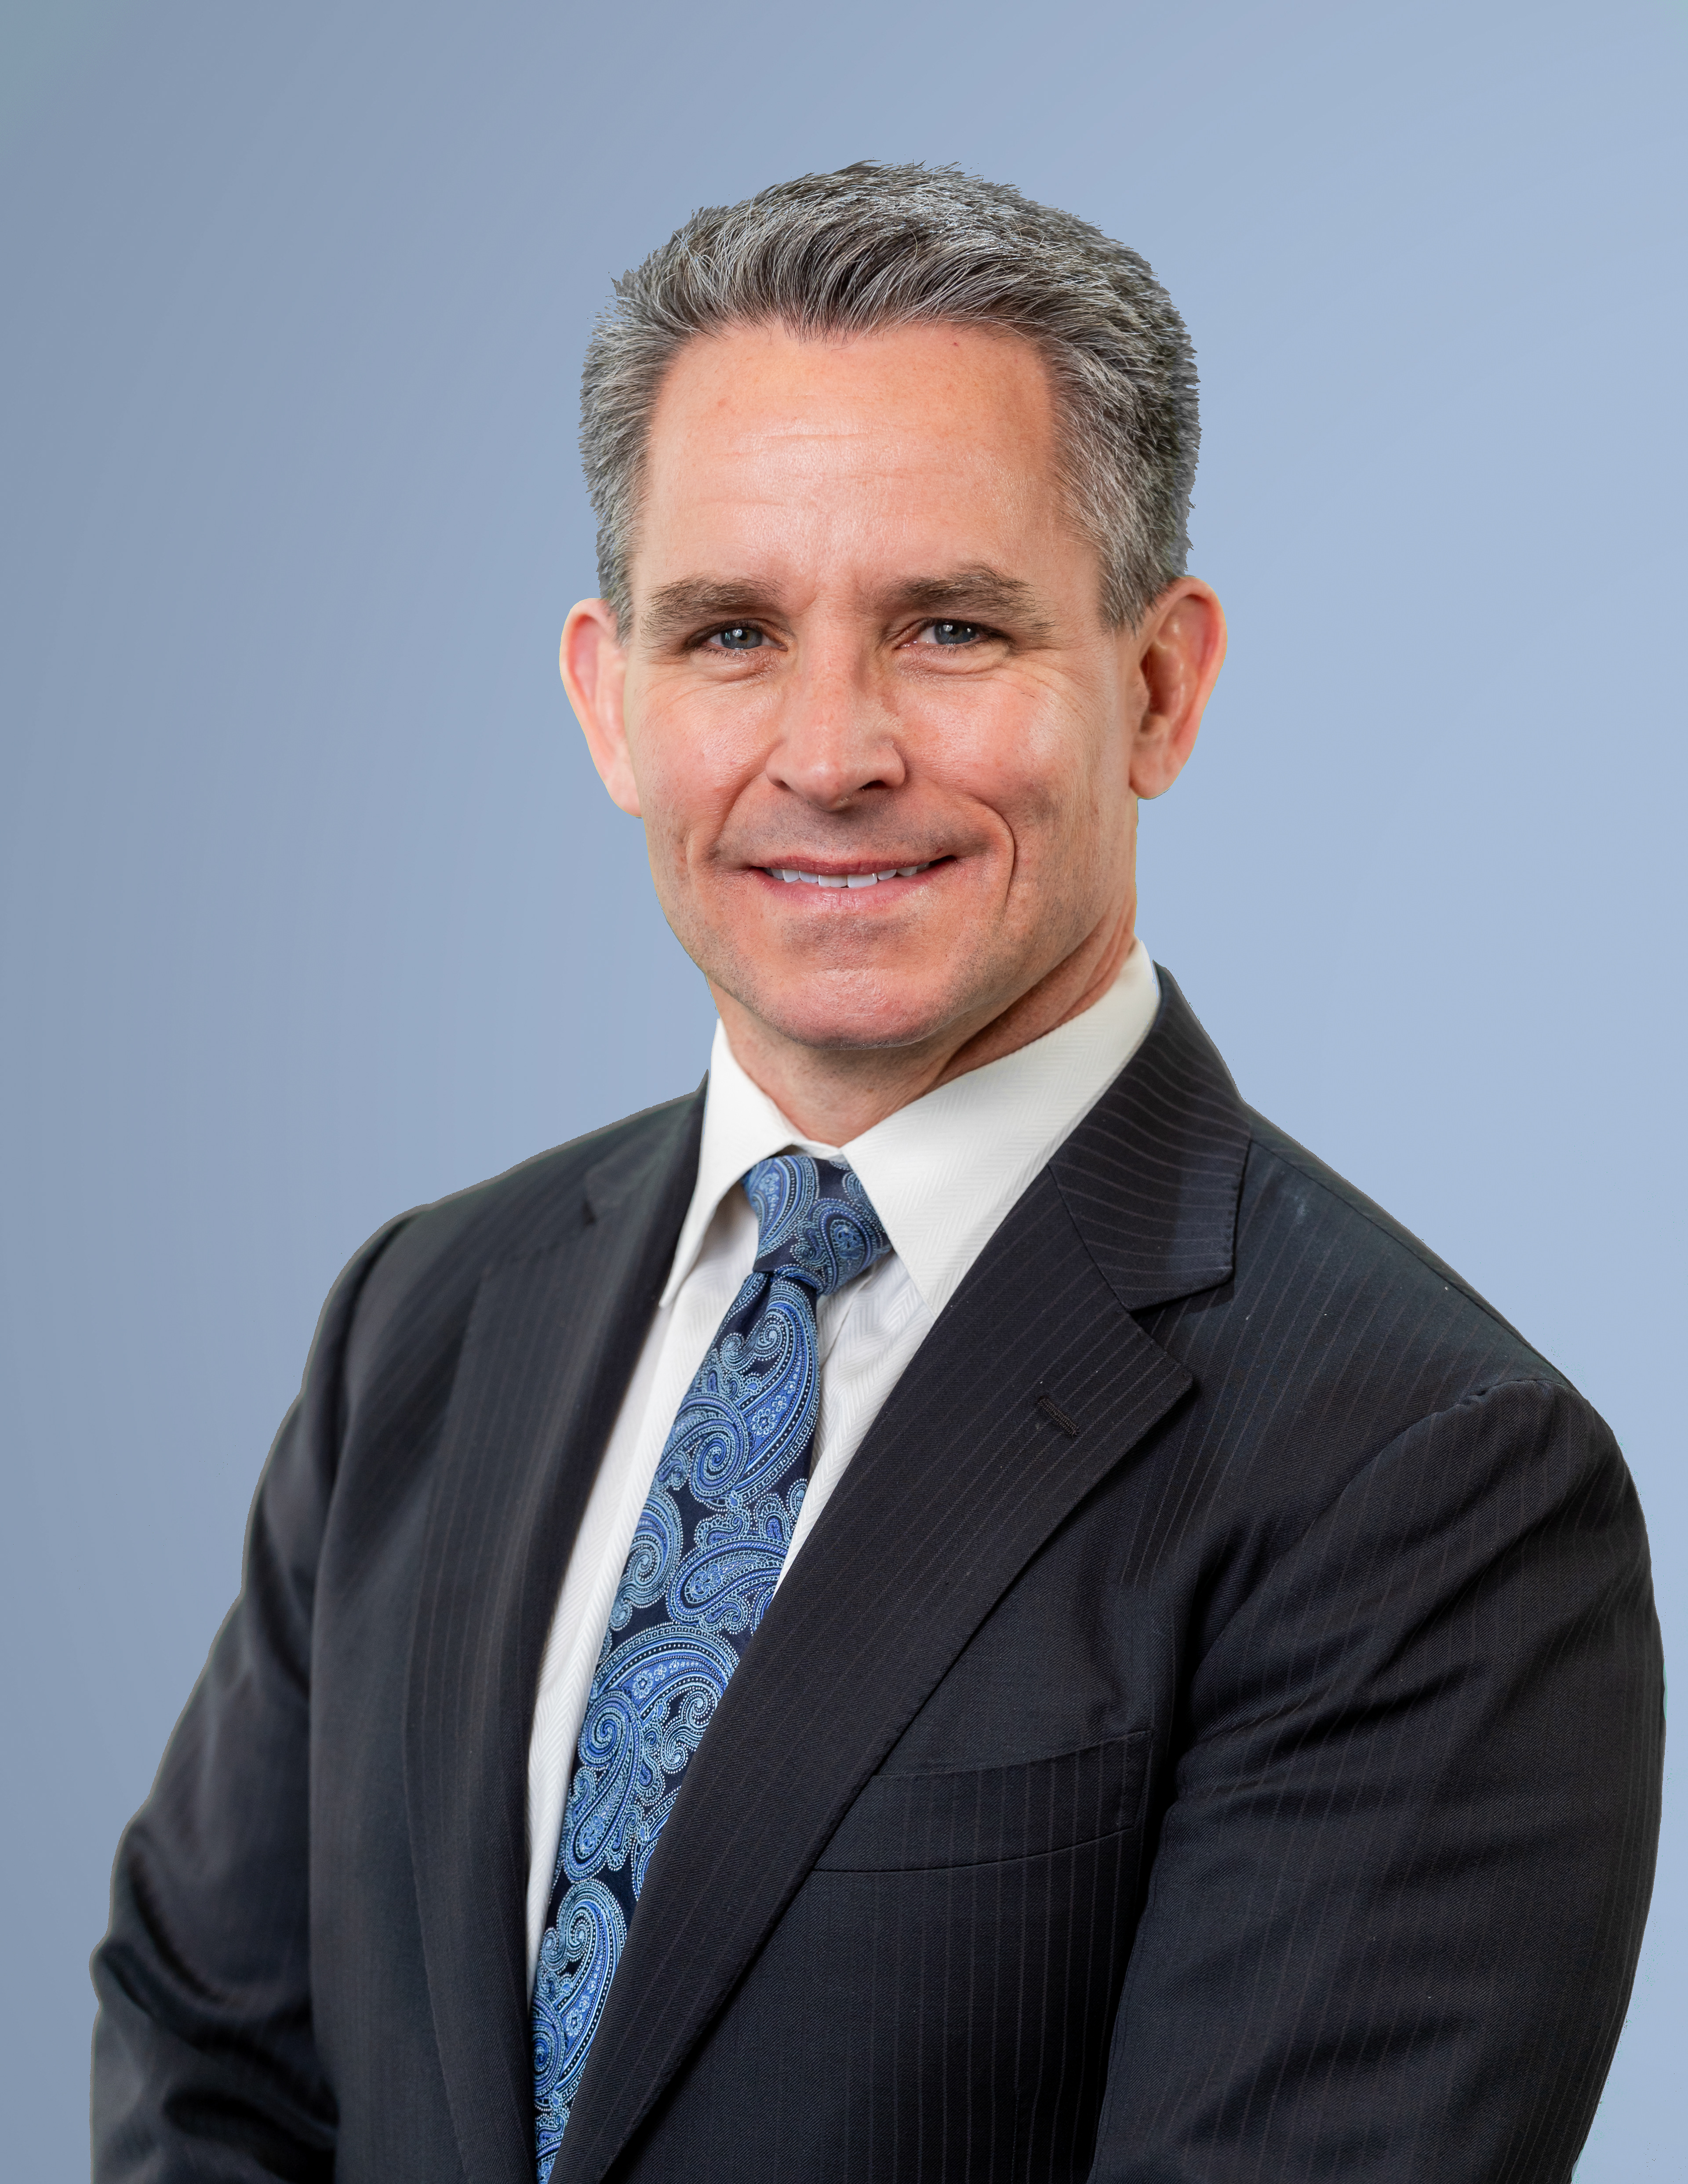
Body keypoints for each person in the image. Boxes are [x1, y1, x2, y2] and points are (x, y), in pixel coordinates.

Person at [91, 163, 1662, 2184]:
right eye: (733, 632)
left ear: (1161, 686)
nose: (829, 752)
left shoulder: (1427, 1477)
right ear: (609, 699)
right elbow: (210, 2066)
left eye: (949, 626)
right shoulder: (431, 1316)